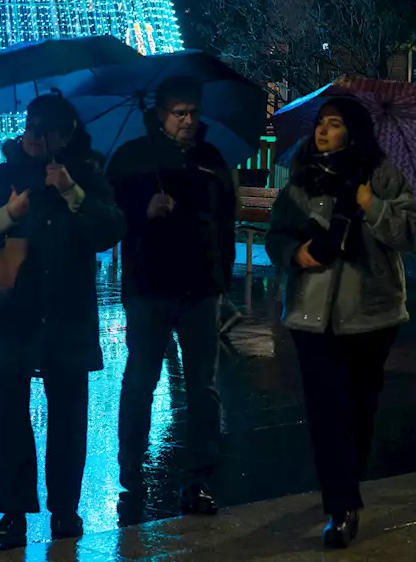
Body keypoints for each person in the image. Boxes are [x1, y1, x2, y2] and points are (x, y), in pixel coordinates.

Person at [0, 93, 126, 548]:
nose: (34, 136)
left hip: (67, 317)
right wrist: (8, 214)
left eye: (45, 130)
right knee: (9, 417)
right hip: (9, 317)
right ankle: (13, 512)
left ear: (66, 136)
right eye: (30, 127)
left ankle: (65, 509)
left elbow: (110, 231)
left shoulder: (85, 175)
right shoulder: (1, 177)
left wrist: (73, 192)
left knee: (68, 416)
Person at [264, 96, 416, 549]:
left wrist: (372, 205)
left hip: (371, 313)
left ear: (353, 131)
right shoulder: (301, 177)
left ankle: (346, 488)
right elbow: (278, 233)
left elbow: (412, 233)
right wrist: (295, 254)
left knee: (358, 409)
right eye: (320, 123)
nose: (323, 131)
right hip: (310, 314)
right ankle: (342, 505)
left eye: (334, 125)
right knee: (325, 410)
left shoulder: (380, 173)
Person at [106, 76, 236, 515]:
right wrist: (143, 212)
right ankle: (131, 466)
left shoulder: (210, 159)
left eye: (192, 112)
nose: (186, 120)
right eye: (178, 112)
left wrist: (222, 280)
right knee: (141, 379)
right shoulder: (131, 160)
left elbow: (225, 223)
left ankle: (199, 477)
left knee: (204, 387)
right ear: (159, 114)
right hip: (149, 287)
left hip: (201, 288)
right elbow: (111, 220)